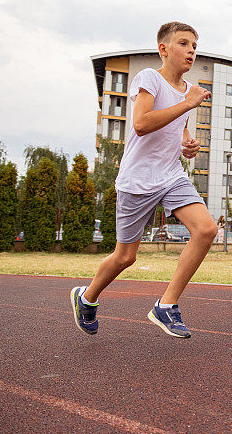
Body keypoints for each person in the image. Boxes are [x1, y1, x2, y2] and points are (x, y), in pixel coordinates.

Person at [70, 22, 217, 339]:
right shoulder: (150, 78)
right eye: (183, 43)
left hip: (170, 175)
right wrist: (189, 102)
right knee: (126, 256)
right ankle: (86, 297)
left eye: (194, 44)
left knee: (206, 229)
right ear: (164, 49)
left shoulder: (186, 90)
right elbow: (141, 123)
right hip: (138, 179)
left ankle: (166, 305)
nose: (192, 49)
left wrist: (186, 145)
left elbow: (179, 130)